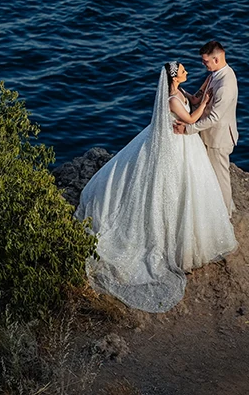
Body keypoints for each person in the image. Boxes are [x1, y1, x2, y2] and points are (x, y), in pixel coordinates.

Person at [76, 62, 238, 313]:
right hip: (176, 144)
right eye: (183, 70)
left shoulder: (180, 93)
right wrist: (205, 104)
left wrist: (207, 84)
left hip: (184, 144)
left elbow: (192, 98)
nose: (186, 72)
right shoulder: (173, 100)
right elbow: (192, 117)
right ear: (174, 77)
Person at [174, 41, 238, 217]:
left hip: (218, 138)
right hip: (207, 134)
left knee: (220, 178)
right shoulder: (213, 75)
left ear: (216, 59)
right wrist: (177, 93)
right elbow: (196, 99)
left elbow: (214, 118)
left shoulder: (225, 85)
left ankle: (226, 215)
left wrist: (188, 129)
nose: (203, 64)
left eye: (206, 61)